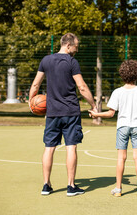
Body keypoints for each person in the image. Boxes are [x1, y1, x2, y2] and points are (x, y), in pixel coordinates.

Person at [29, 33, 97, 197]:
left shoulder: (46, 60)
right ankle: (71, 186)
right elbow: (81, 87)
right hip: (70, 112)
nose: (77, 50)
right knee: (71, 147)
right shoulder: (72, 62)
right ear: (68, 45)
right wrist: (93, 105)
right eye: (76, 46)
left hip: (52, 113)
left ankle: (46, 185)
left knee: (49, 148)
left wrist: (31, 100)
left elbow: (36, 83)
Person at [89, 59, 137, 198]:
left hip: (122, 127)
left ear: (122, 74)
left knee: (121, 158)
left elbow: (111, 113)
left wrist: (96, 114)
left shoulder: (117, 92)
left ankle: (118, 189)